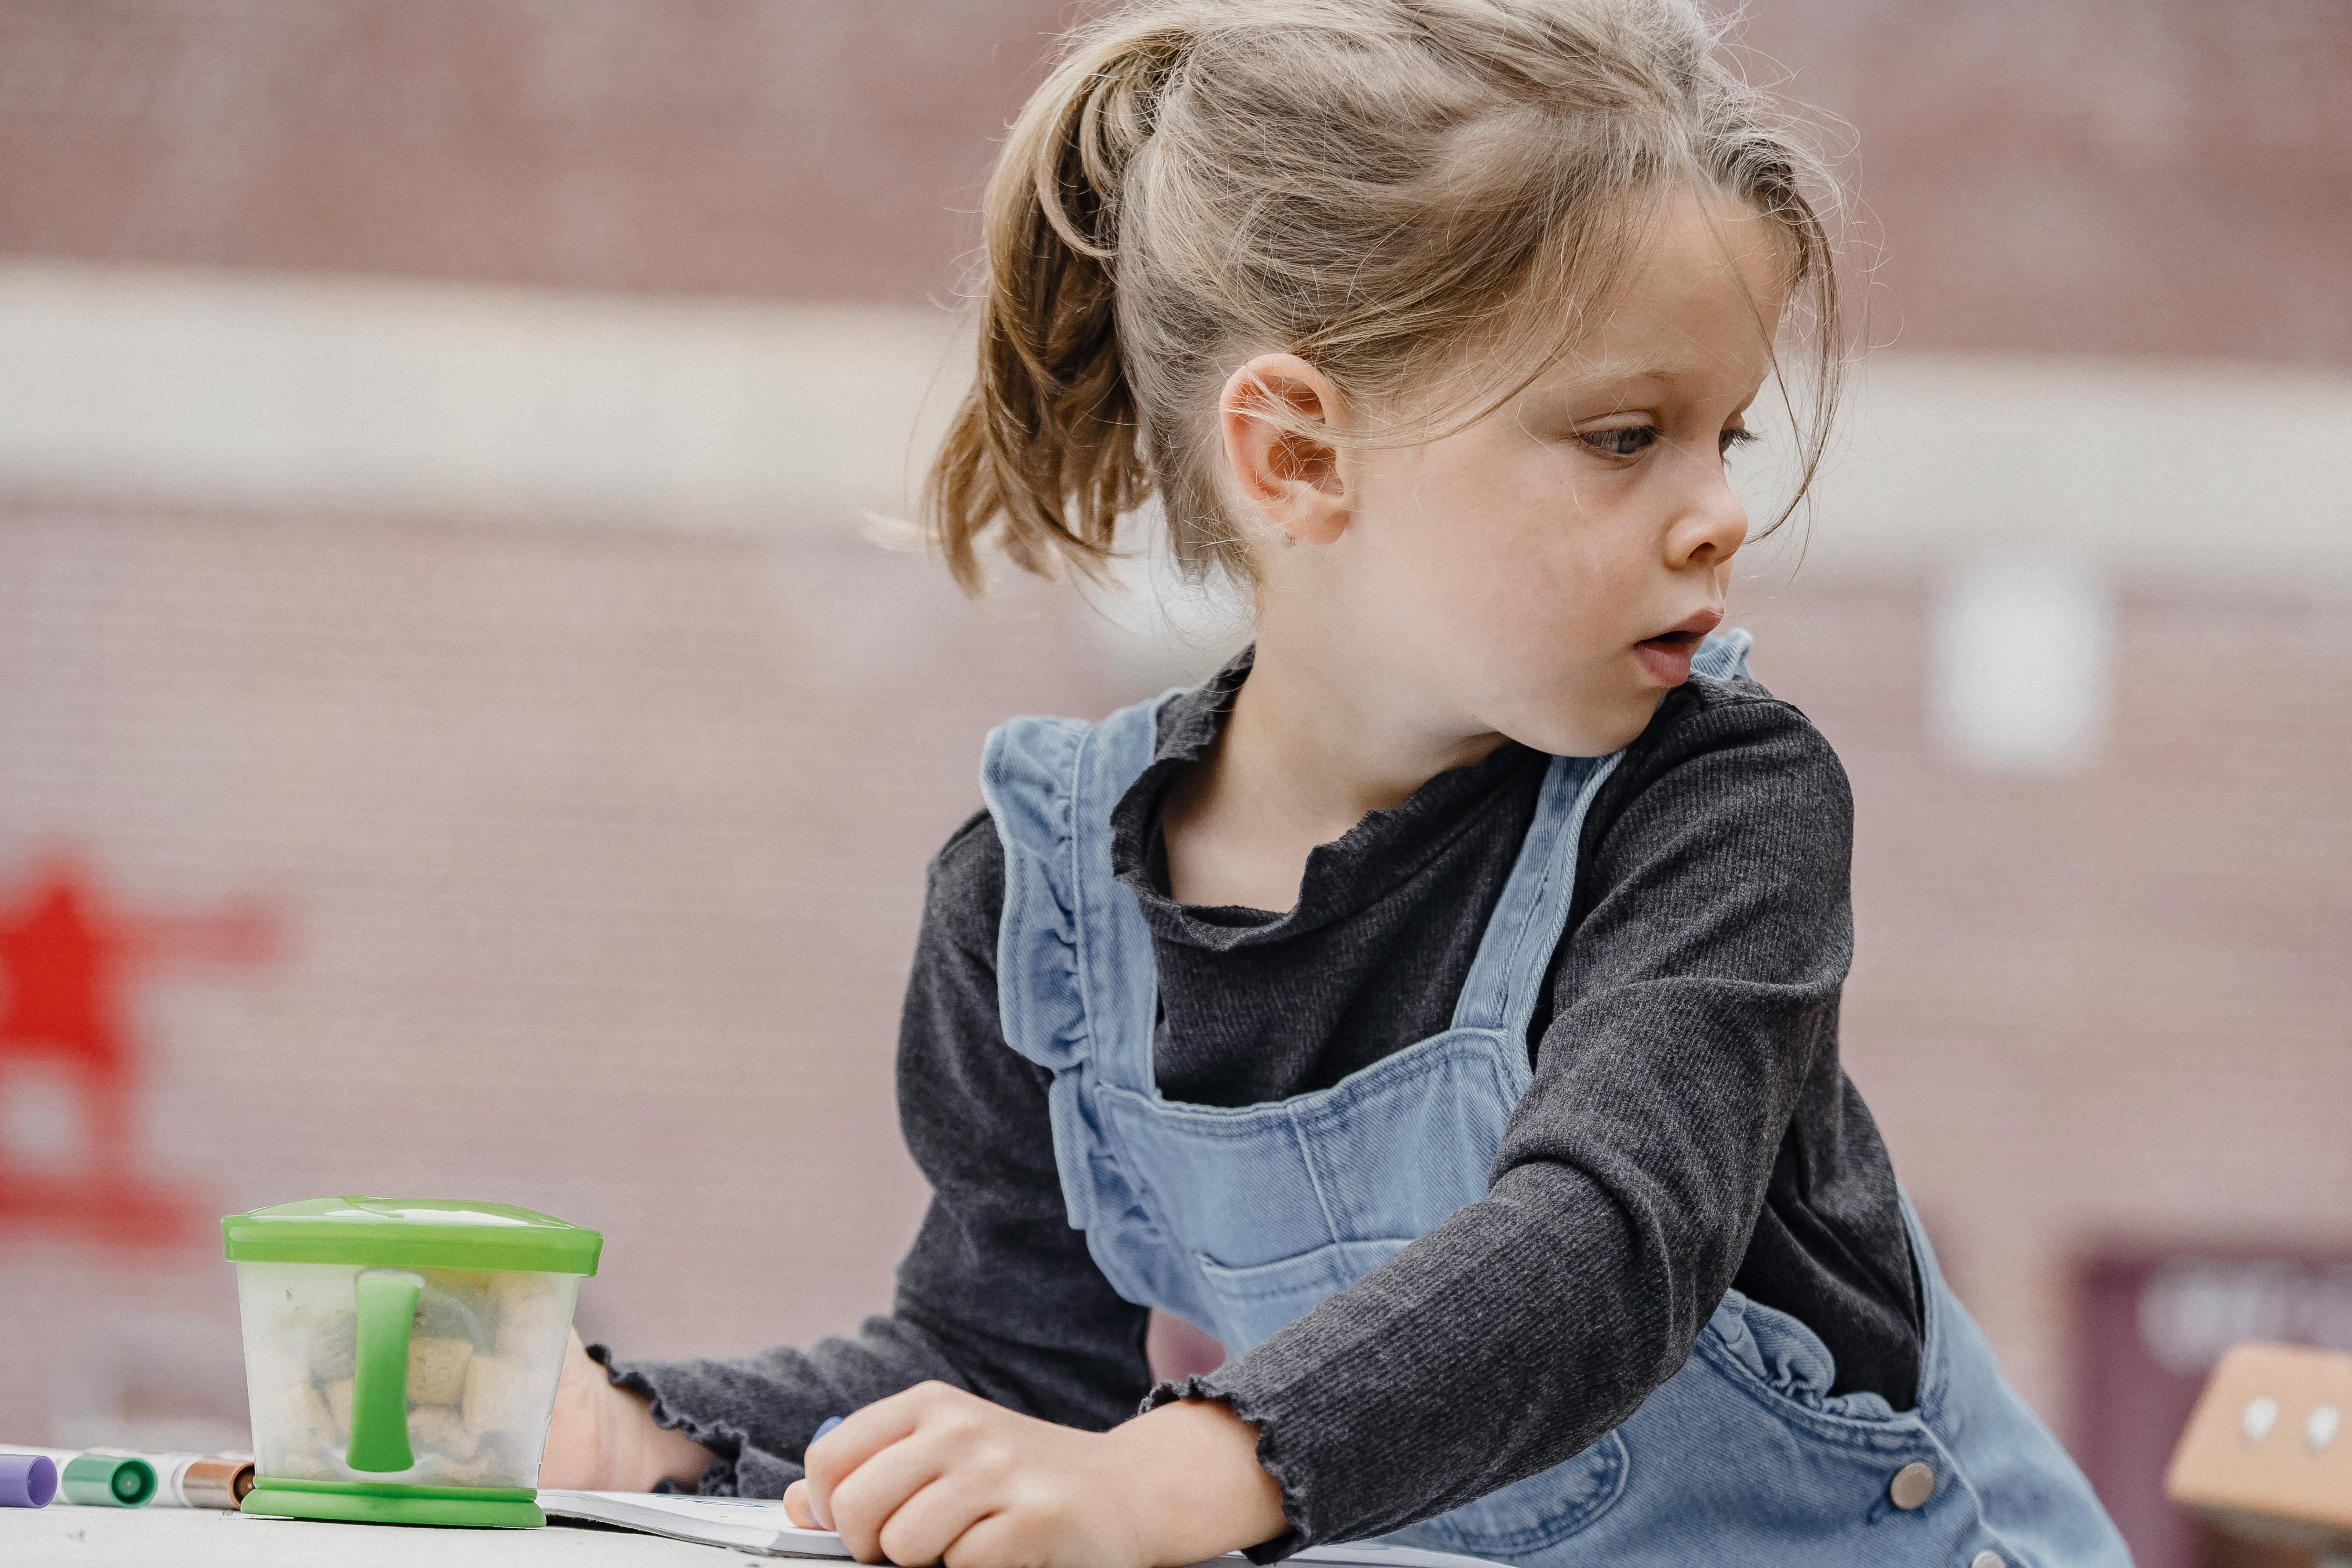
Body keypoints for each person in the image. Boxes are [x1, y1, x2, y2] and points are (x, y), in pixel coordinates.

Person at [540, 3, 2131, 1565]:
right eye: (1627, 434)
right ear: (1298, 455)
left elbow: (1599, 1252)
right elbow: (1009, 1367)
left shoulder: (1720, 807)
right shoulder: (1039, 910)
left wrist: (1174, 1480)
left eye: (1728, 435)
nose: (1717, 510)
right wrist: (637, 1430)